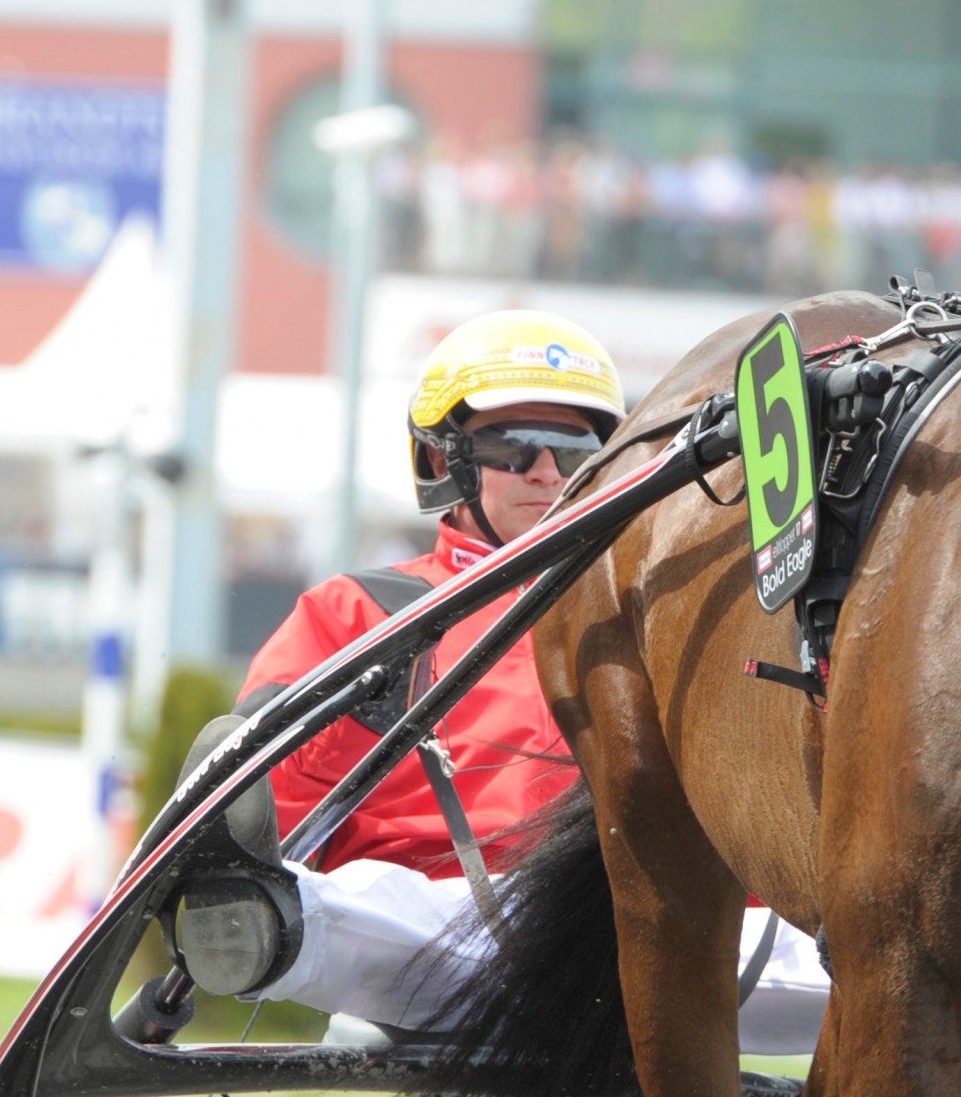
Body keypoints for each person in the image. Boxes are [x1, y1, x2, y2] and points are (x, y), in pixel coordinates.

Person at [174, 310, 830, 1052]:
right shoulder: (361, 613)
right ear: (442, 462)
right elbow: (281, 803)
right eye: (516, 449)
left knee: (884, 952)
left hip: (682, 940)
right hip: (449, 936)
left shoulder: (679, 611)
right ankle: (261, 920)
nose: (549, 472)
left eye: (575, 447)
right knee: (360, 907)